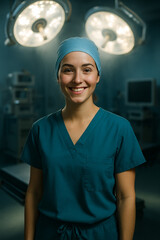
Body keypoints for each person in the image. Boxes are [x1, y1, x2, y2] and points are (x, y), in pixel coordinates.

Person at [21, 37, 146, 240]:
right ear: (58, 76)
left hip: (100, 234)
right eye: (68, 70)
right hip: (50, 233)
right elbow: (34, 192)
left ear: (98, 76)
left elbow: (126, 197)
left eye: (87, 69)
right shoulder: (40, 129)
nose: (77, 79)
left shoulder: (119, 129)